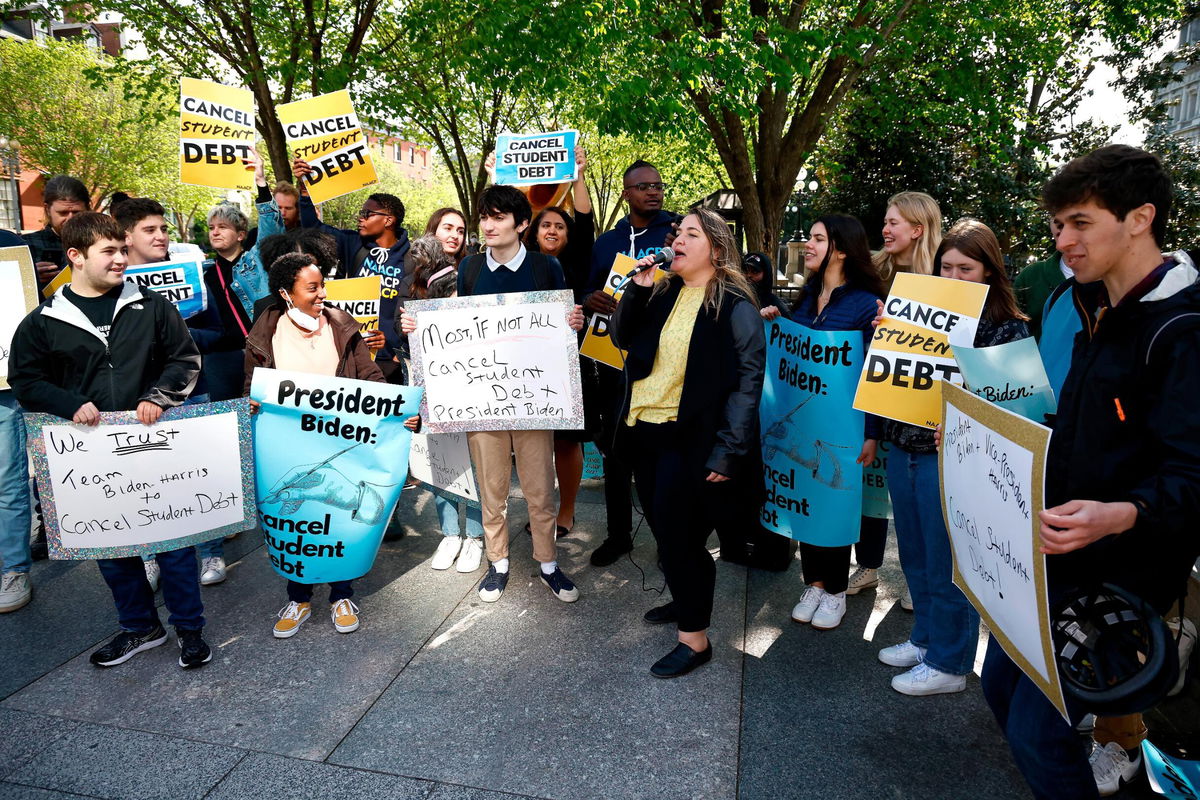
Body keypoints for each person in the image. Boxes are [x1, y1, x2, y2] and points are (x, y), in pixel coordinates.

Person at [981, 145, 1200, 800]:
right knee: (998, 689)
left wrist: (1119, 513)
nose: (1062, 242)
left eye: (1078, 223)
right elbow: (1075, 428)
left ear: (1140, 218)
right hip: (1052, 559)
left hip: (1118, 579)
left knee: (1037, 734)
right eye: (1056, 226)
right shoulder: (1093, 306)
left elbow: (1192, 472)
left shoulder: (1182, 329)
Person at [9, 212, 210, 668]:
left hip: (155, 444)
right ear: (76, 257)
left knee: (174, 543)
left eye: (123, 248)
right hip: (90, 454)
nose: (122, 258)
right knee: (112, 548)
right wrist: (67, 403)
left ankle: (190, 629)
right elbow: (26, 378)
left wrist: (160, 396)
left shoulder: (153, 306)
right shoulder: (43, 321)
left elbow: (184, 359)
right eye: (110, 251)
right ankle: (140, 628)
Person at [400, 185, 586, 604]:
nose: (488, 225)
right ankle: (497, 563)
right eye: (484, 217)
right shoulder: (466, 270)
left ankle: (549, 564)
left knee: (540, 489)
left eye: (499, 217)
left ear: (522, 224)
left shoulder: (546, 268)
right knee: (492, 489)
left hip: (534, 401)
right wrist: (419, 328)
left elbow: (562, 331)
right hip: (482, 402)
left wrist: (574, 322)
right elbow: (453, 330)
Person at [878, 217, 1030, 696]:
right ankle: (925, 639)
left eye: (966, 268)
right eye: (946, 268)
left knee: (949, 563)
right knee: (916, 555)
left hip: (955, 463)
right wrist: (889, 334)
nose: (954, 278)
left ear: (989, 272)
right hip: (904, 447)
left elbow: (1013, 411)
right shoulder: (915, 310)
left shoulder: (1006, 331)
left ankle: (950, 662)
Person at [612, 208, 765, 678]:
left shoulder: (735, 306)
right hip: (646, 430)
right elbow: (621, 336)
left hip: (692, 438)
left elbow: (747, 382)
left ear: (716, 251)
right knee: (662, 528)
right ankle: (686, 598)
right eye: (677, 232)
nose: (676, 239)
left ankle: (694, 640)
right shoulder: (663, 291)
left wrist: (728, 450)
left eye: (690, 234)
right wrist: (636, 290)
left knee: (680, 536)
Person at [245, 252, 413, 638]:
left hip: (343, 444)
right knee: (297, 521)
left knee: (336, 521)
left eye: (323, 285)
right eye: (313, 287)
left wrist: (398, 412)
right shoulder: (263, 335)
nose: (322, 293)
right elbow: (250, 388)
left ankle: (341, 595)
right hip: (290, 448)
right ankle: (299, 598)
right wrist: (250, 405)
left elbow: (370, 377)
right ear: (286, 293)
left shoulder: (341, 326)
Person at [761, 215, 886, 631]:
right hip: (807, 427)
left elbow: (874, 373)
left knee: (835, 502)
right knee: (807, 500)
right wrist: (777, 321)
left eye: (818, 239)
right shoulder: (807, 297)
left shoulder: (867, 303)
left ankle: (834, 591)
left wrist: (872, 434)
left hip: (845, 428)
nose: (809, 245)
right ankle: (812, 583)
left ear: (843, 249)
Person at [584, 160, 679, 567]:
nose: (653, 192)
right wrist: (591, 299)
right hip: (611, 358)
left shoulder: (678, 233)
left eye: (658, 185)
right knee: (616, 455)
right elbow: (588, 286)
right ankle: (618, 535)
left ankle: (668, 541)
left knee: (659, 457)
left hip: (662, 360)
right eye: (643, 186)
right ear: (627, 193)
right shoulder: (607, 242)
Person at [855, 191, 945, 605]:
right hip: (880, 406)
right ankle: (870, 567)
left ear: (918, 229)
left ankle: (920, 583)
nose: (885, 229)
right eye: (885, 222)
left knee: (923, 510)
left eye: (893, 223)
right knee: (876, 495)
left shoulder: (947, 279)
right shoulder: (874, 273)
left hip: (928, 419)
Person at [396, 235, 486, 572]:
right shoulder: (415, 302)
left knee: (474, 466)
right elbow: (397, 332)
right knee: (439, 464)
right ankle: (450, 534)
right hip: (434, 397)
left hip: (474, 398)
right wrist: (408, 328)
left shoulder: (473, 295)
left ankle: (475, 536)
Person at [524, 146, 596, 539]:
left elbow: (585, 219)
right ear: (532, 233)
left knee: (567, 442)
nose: (552, 230)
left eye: (559, 226)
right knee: (535, 443)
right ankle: (541, 510)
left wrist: (579, 174)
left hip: (568, 363)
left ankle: (566, 510)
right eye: (545, 225)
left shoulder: (578, 260)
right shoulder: (521, 263)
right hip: (525, 364)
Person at [293, 158, 410, 381]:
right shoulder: (353, 244)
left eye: (368, 214)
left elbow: (410, 312)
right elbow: (313, 228)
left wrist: (395, 347)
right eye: (361, 212)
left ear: (388, 220)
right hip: (352, 354)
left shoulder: (411, 258)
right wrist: (305, 191)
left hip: (390, 361)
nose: (360, 218)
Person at [23, 175, 91, 291]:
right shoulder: (24, 246)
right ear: (47, 210)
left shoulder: (102, 243)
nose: (70, 219)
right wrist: (28, 277)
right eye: (63, 212)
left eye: (76, 212)